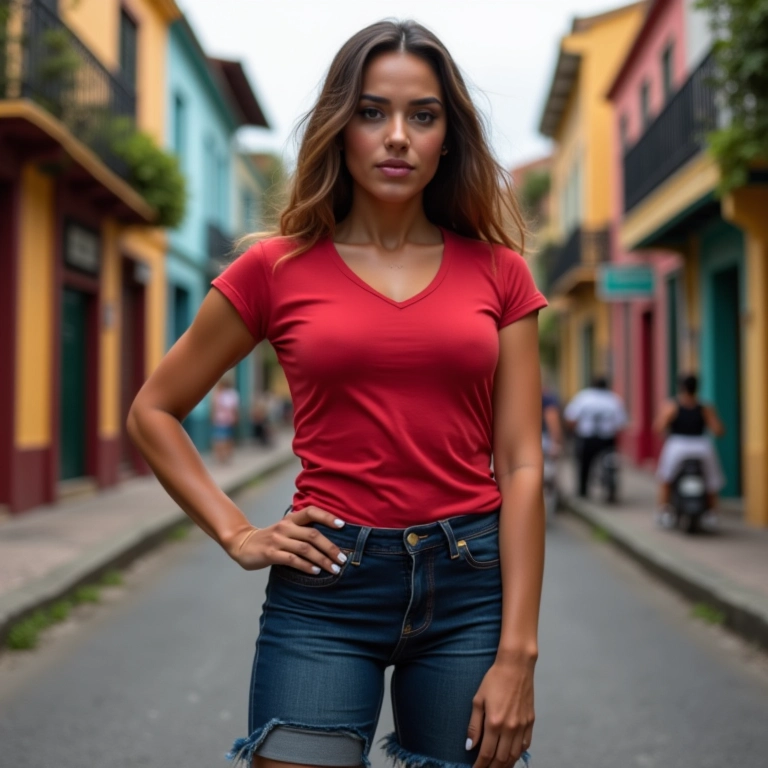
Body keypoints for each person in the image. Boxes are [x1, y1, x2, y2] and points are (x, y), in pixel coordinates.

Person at [127, 20, 547, 768]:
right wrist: (236, 532)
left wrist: (518, 653)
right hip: (325, 587)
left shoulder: (500, 273)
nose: (396, 136)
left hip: (469, 587)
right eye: (371, 111)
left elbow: (520, 464)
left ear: (448, 136)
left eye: (422, 115)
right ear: (338, 126)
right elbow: (153, 410)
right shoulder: (273, 270)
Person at [653, 373, 725, 528]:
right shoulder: (704, 407)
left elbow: (659, 427)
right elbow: (718, 430)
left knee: (666, 477)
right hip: (701, 446)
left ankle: (664, 510)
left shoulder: (672, 406)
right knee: (711, 479)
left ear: (680, 387)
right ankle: (711, 512)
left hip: (677, 445)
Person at [564, 376, 627, 499]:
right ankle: (611, 490)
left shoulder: (583, 397)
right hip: (607, 438)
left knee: (584, 464)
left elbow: (571, 417)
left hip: (587, 437)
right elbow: (621, 422)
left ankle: (582, 490)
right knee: (610, 463)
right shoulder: (613, 399)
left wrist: (574, 431)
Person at [211, 377, 240, 463]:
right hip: (224, 420)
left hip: (223, 420)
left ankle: (223, 456)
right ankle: (224, 455)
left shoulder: (224, 394)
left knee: (222, 438)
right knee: (224, 438)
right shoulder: (230, 394)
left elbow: (214, 407)